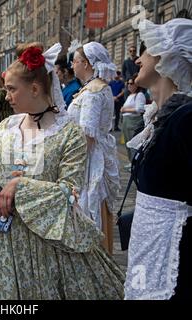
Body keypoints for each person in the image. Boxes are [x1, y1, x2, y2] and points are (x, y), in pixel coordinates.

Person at [0, 43, 125, 300]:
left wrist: (20, 186)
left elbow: (69, 190)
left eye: (11, 89)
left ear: (34, 89)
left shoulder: (69, 133)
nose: (6, 96)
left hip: (47, 236)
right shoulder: (8, 125)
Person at [125, 18, 192, 300]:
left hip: (172, 258)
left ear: (167, 57)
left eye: (146, 50)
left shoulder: (186, 120)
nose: (138, 60)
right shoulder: (160, 118)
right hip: (149, 248)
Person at [67, 42, 120, 255]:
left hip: (89, 159)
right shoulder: (94, 88)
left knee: (88, 206)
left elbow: (87, 135)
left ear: (87, 64)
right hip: (95, 153)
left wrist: (71, 163)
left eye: (76, 61)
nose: (72, 65)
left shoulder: (93, 93)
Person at [120, 74, 145, 165]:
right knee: (127, 142)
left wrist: (125, 109)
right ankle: (131, 162)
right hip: (126, 120)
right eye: (128, 83)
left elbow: (140, 109)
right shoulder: (131, 95)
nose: (129, 85)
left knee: (133, 142)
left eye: (131, 83)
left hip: (133, 121)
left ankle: (135, 162)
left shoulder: (139, 95)